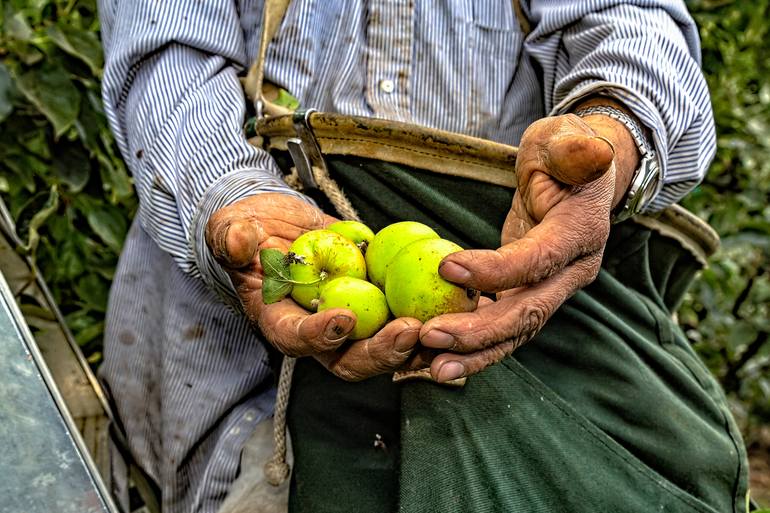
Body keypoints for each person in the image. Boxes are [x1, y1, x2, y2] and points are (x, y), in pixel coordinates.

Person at [98, 1, 749, 512]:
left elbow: (633, 26)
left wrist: (609, 133)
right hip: (241, 372)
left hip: (516, 342)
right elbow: (166, 59)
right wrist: (233, 200)